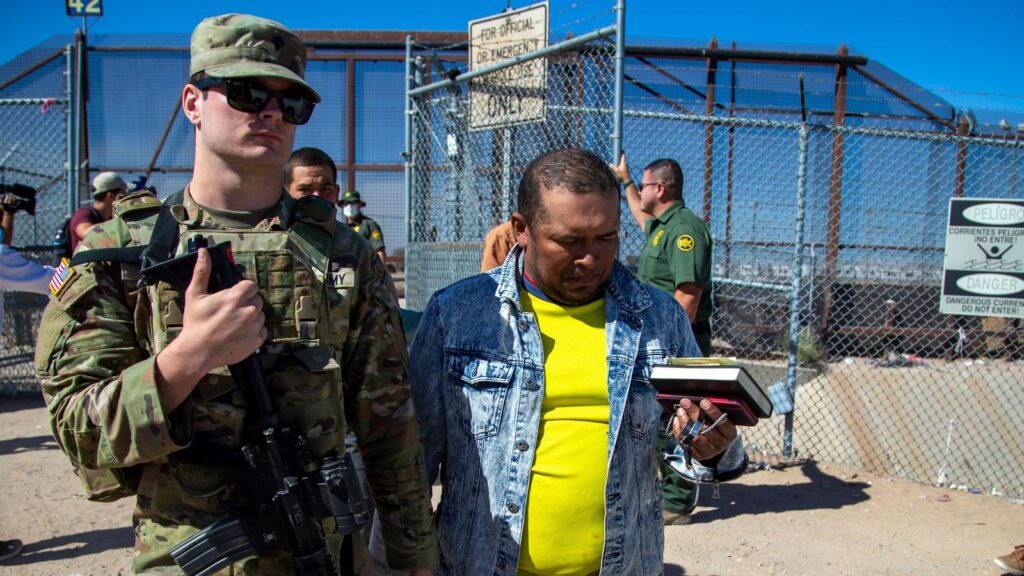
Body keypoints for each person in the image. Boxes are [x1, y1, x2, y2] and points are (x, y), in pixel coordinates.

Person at [35, 13, 436, 576]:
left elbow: (389, 422)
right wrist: (188, 356)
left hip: (321, 552)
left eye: (290, 104)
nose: (271, 112)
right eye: (247, 93)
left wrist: (415, 555)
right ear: (193, 102)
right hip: (186, 556)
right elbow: (81, 434)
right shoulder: (119, 251)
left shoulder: (342, 252)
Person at [406, 148, 744, 574]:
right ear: (521, 229)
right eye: (569, 241)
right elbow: (410, 466)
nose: (591, 258)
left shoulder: (660, 319)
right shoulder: (456, 316)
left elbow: (714, 445)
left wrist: (714, 445)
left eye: (606, 238)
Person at [611, 152, 714, 525]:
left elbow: (688, 295)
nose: (640, 191)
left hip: (678, 337)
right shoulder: (661, 226)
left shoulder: (685, 230)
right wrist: (624, 181)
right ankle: (670, 491)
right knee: (657, 417)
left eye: (642, 183)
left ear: (660, 187)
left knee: (677, 417)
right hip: (656, 338)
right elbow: (640, 212)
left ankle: (677, 502)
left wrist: (671, 347)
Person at [69, 171, 127, 254]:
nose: (126, 196)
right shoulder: (83, 214)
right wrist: (120, 223)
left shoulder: (111, 218)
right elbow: (85, 232)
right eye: (123, 192)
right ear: (111, 196)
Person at [339, 190, 386, 265]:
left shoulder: (369, 225)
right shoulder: (340, 227)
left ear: (360, 205)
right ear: (341, 206)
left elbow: (379, 251)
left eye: (353, 203)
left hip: (365, 270)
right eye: (345, 203)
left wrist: (382, 274)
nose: (349, 206)